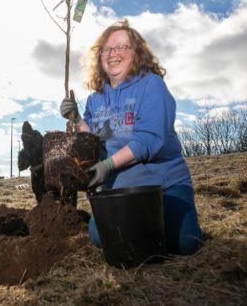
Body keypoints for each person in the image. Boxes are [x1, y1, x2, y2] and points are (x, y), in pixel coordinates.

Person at [60, 19, 202, 255]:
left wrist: (109, 164)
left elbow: (149, 140)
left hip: (163, 185)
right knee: (99, 238)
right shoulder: (96, 98)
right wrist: (76, 119)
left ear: (136, 53)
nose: (112, 53)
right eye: (106, 48)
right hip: (120, 190)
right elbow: (92, 139)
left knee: (185, 243)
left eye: (120, 47)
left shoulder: (151, 85)